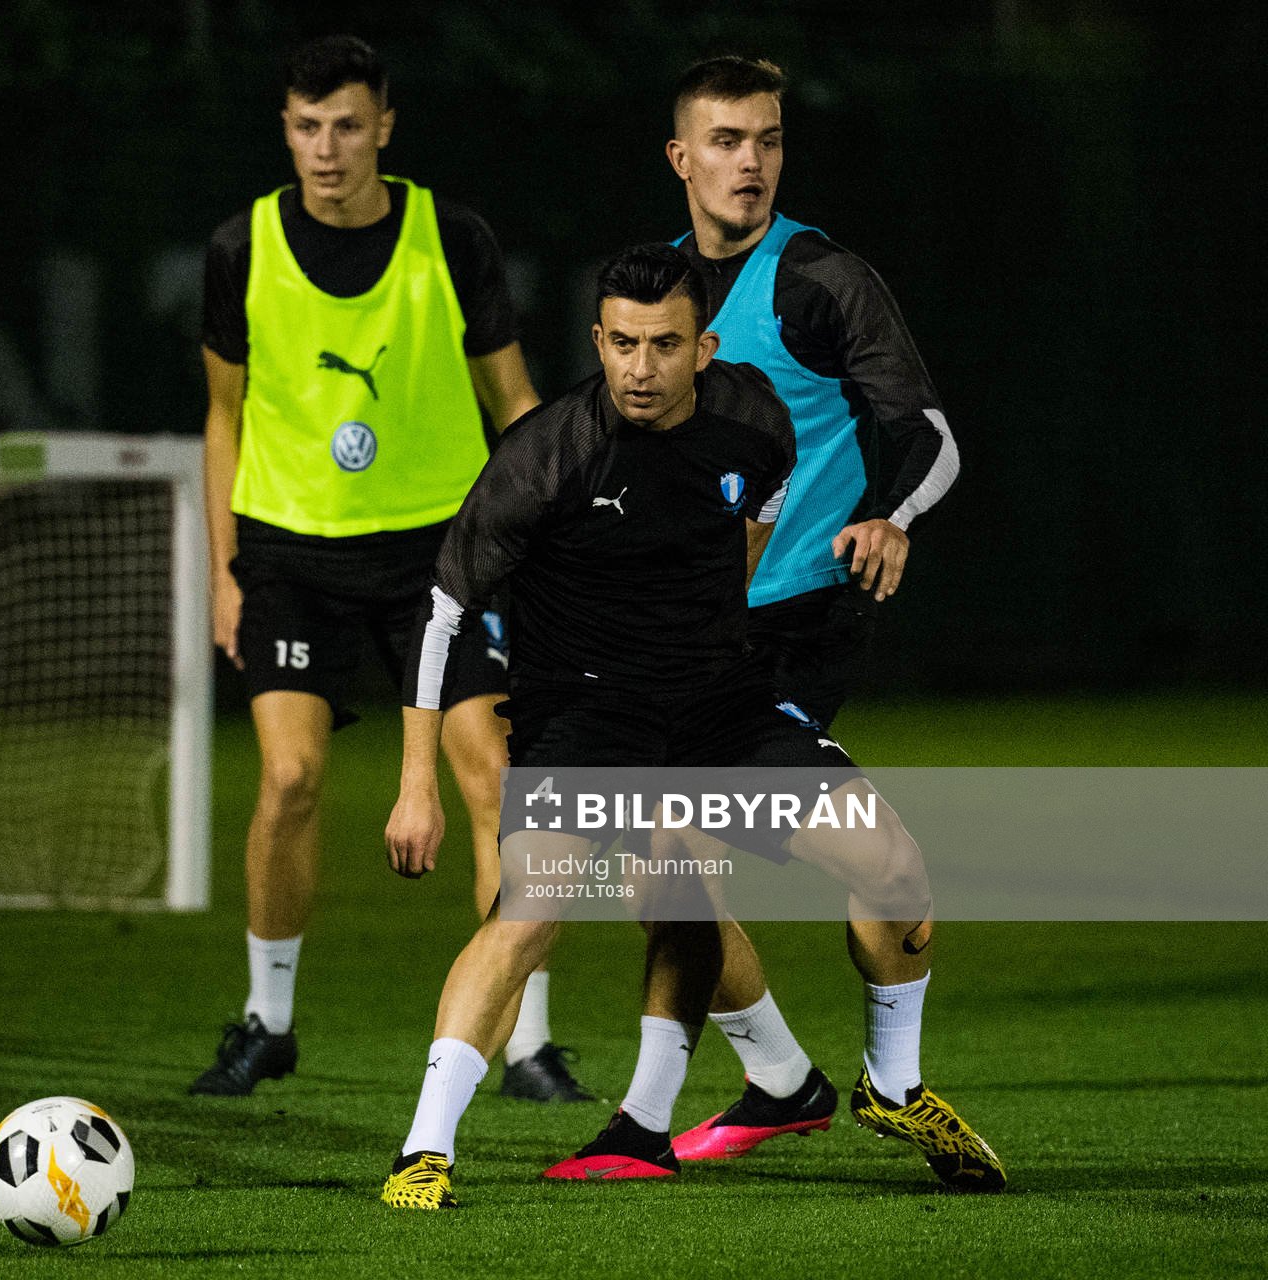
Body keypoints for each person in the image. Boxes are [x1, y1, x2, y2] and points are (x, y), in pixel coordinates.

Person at [377, 244, 1002, 1210]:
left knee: (897, 872)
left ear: (702, 346)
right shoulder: (546, 455)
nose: (640, 366)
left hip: (719, 704)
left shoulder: (755, 418)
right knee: (530, 915)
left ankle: (893, 1085)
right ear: (597, 339)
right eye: (622, 343)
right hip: (585, 716)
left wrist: (708, 633)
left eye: (664, 345)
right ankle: (424, 1151)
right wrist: (418, 783)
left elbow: (761, 513)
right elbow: (443, 613)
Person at [191, 35, 586, 1102]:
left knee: (497, 780)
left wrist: (550, 530)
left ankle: (527, 1041)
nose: (328, 148)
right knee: (288, 776)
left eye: (348, 126)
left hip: (442, 554)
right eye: (308, 127)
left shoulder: (450, 238)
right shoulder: (242, 246)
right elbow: (222, 417)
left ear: (385, 129)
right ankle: (268, 1019)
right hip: (290, 550)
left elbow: (513, 399)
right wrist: (226, 568)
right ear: (286, 128)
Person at [656, 56, 967, 1162]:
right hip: (687, 633)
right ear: (682, 158)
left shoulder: (821, 278)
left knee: (886, 870)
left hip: (790, 629)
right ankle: (787, 1078)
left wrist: (889, 517)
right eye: (729, 141)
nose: (752, 162)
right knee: (660, 858)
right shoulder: (659, 294)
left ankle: (882, 1079)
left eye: (770, 139)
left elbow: (931, 435)